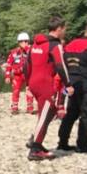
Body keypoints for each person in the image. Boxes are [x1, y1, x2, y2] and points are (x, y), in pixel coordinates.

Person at [24, 17, 74, 160]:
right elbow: (61, 65)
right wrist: (68, 84)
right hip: (44, 84)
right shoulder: (55, 45)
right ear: (59, 29)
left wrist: (28, 83)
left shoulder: (35, 45)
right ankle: (35, 148)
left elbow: (26, 65)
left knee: (50, 111)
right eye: (64, 29)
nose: (65, 32)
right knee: (46, 113)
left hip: (33, 82)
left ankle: (36, 140)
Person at [56, 19, 87, 153]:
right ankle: (82, 145)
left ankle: (62, 143)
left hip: (72, 85)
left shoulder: (70, 44)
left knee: (71, 115)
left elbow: (64, 65)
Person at [4, 32, 35, 114]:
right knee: (16, 90)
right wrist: (7, 76)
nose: (24, 43)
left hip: (29, 74)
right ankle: (14, 107)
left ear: (28, 41)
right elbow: (9, 64)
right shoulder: (14, 52)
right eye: (21, 41)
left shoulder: (32, 51)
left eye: (26, 41)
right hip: (17, 75)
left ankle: (30, 107)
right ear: (18, 42)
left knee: (29, 91)